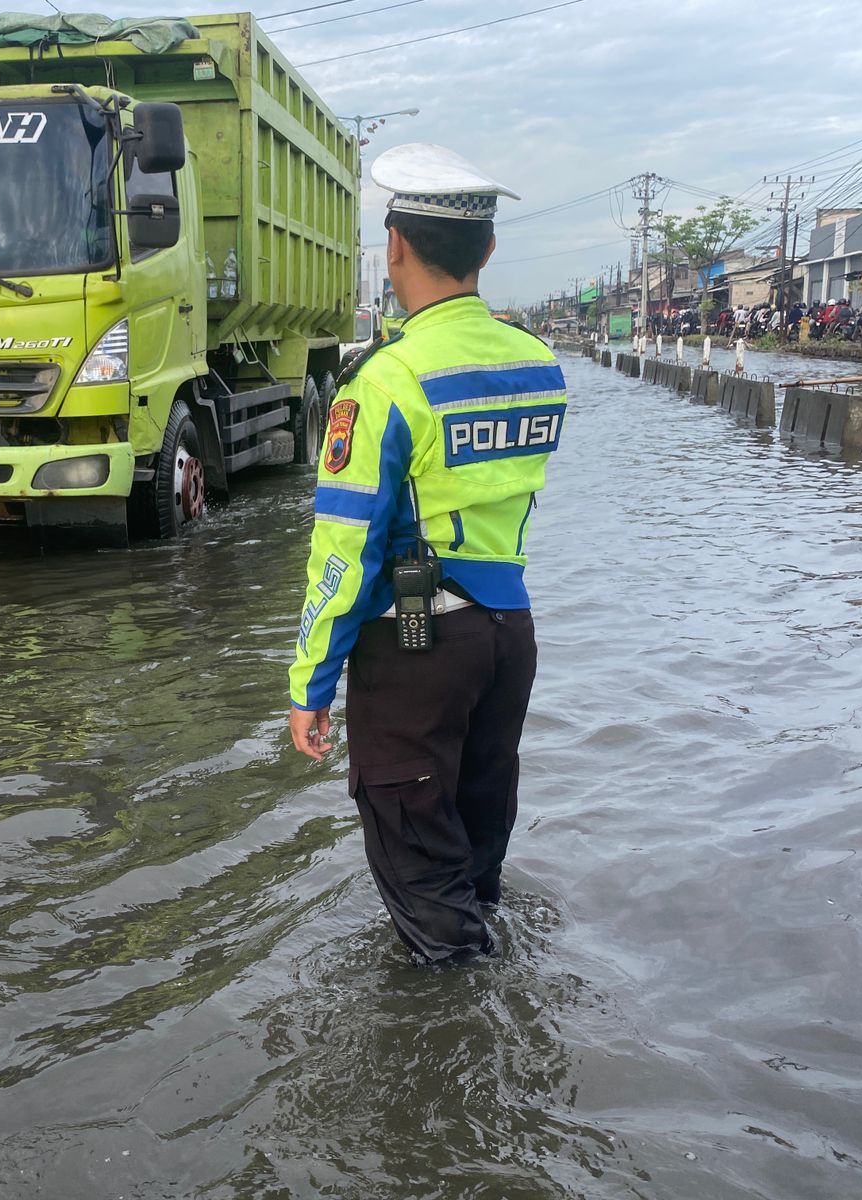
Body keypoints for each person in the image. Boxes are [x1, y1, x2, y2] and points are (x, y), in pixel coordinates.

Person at [285, 143, 566, 964]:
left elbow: (343, 549)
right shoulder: (537, 363)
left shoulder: (384, 380)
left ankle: (453, 1026)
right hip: (509, 636)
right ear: (486, 249)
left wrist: (311, 682)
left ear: (394, 245)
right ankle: (486, 967)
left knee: (414, 849)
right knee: (478, 836)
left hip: (419, 644)